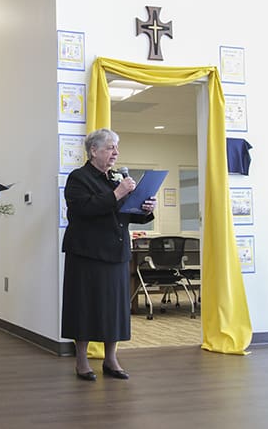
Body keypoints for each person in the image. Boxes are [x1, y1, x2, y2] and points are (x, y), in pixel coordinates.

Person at [61, 128, 157, 381]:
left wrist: (146, 209)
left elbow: (126, 214)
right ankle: (81, 360)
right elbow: (84, 209)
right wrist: (118, 193)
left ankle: (111, 359)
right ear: (94, 151)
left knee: (114, 309)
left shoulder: (116, 179)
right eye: (110, 147)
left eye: (116, 148)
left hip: (116, 252)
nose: (116, 152)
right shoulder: (78, 178)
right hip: (86, 253)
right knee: (83, 306)